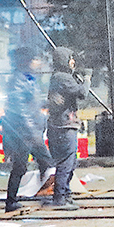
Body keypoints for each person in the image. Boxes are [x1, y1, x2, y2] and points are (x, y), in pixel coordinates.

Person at [0, 48, 52, 212]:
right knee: (21, 167)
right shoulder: (18, 81)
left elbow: (32, 104)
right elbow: (20, 110)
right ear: (26, 61)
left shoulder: (28, 79)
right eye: (34, 59)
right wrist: (32, 130)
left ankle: (45, 194)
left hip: (31, 132)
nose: (37, 63)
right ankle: (11, 201)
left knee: (45, 162)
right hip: (23, 134)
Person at [45, 46, 86, 211]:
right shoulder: (62, 77)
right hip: (63, 127)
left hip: (62, 125)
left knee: (70, 163)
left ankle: (65, 194)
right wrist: (87, 78)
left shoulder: (60, 77)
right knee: (65, 163)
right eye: (70, 58)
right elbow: (82, 93)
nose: (73, 61)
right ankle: (60, 197)